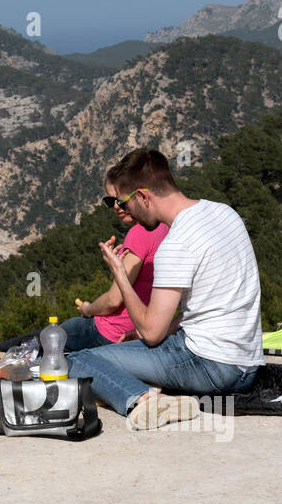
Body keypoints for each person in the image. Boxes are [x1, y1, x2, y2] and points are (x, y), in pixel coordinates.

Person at [66, 148, 264, 430]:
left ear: (143, 196)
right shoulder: (224, 213)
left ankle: (145, 400)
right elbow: (213, 307)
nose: (125, 210)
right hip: (248, 365)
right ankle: (155, 388)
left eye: (125, 202)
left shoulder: (177, 243)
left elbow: (151, 332)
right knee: (136, 348)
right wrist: (158, 332)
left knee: (78, 361)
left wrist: (120, 275)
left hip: (212, 367)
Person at [61, 170, 170, 351]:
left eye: (121, 199)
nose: (116, 206)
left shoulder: (139, 232)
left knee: (43, 339)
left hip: (112, 333)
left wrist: (88, 309)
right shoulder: (165, 227)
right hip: (143, 332)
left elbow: (113, 300)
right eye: (111, 201)